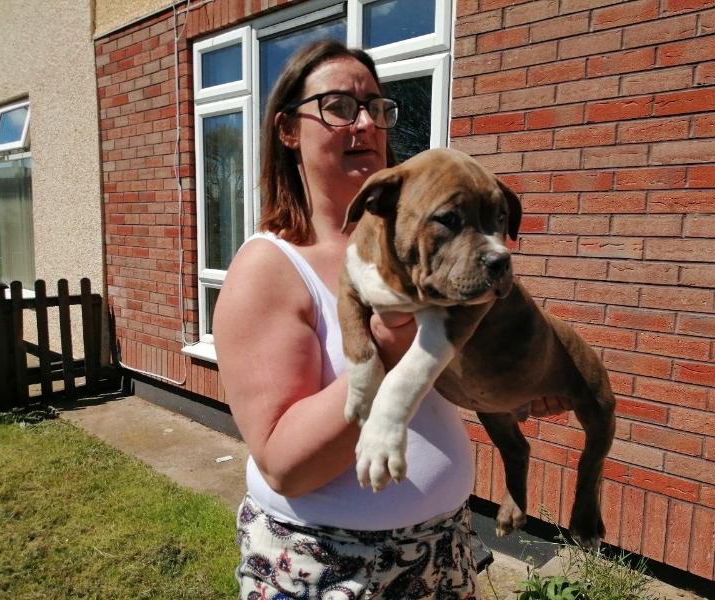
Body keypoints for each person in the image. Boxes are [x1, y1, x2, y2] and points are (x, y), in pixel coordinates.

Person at [214, 39, 567, 600]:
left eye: (377, 108)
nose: (365, 125)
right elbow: (285, 465)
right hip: (329, 564)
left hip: (442, 548)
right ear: (287, 130)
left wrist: (511, 386)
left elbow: (442, 377)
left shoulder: (415, 246)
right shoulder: (267, 267)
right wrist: (386, 343)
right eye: (338, 107)